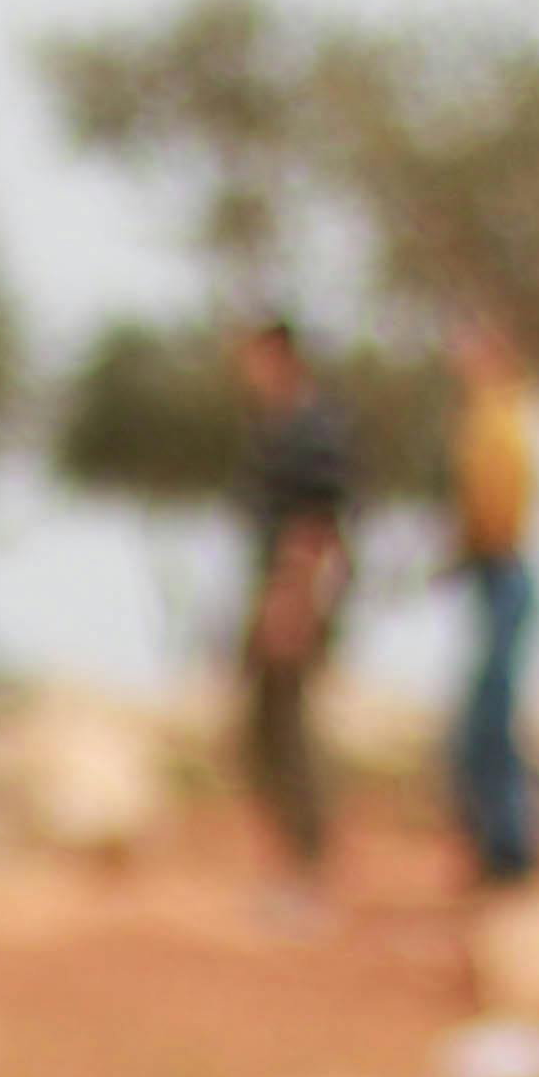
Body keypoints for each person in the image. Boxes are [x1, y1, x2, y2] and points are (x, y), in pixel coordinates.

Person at [229, 314, 357, 906]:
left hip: (294, 594)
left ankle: (306, 873)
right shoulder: (280, 426)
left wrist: (291, 603)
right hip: (276, 589)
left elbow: (314, 527)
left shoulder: (310, 431)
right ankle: (288, 866)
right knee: (263, 730)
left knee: (288, 730)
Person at [444, 323, 539, 884]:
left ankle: (509, 851)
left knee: (492, 718)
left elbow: (496, 507)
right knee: (485, 716)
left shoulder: (501, 417)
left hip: (501, 569)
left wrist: (472, 546)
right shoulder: (497, 414)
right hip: (494, 571)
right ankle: (495, 847)